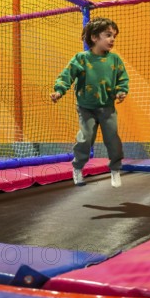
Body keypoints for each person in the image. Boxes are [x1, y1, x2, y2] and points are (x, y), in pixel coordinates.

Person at [50, 17, 129, 188]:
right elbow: (67, 75)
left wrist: (121, 91)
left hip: (107, 107)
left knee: (113, 140)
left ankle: (115, 169)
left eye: (114, 36)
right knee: (85, 138)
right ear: (94, 37)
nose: (112, 39)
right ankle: (77, 167)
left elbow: (122, 79)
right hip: (86, 107)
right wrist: (59, 91)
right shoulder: (81, 59)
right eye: (108, 35)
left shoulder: (114, 60)